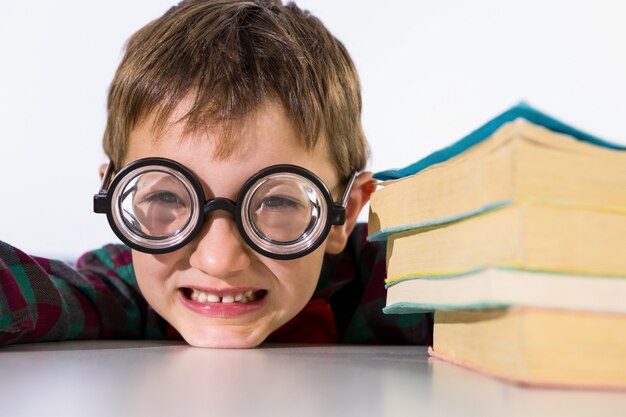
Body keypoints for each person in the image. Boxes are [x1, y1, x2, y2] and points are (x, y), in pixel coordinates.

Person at [0, 0, 432, 348]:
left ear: (346, 209)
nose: (219, 260)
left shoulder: (408, 276)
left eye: (278, 201)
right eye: (167, 198)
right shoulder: (123, 288)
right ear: (118, 197)